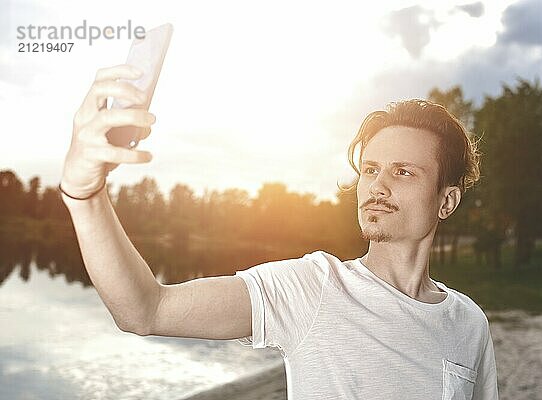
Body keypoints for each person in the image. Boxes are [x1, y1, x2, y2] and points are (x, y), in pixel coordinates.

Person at [60, 64, 499, 400]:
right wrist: (85, 194)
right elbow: (146, 310)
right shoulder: (314, 288)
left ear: (447, 201)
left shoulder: (470, 324)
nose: (378, 186)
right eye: (370, 170)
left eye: (403, 172)